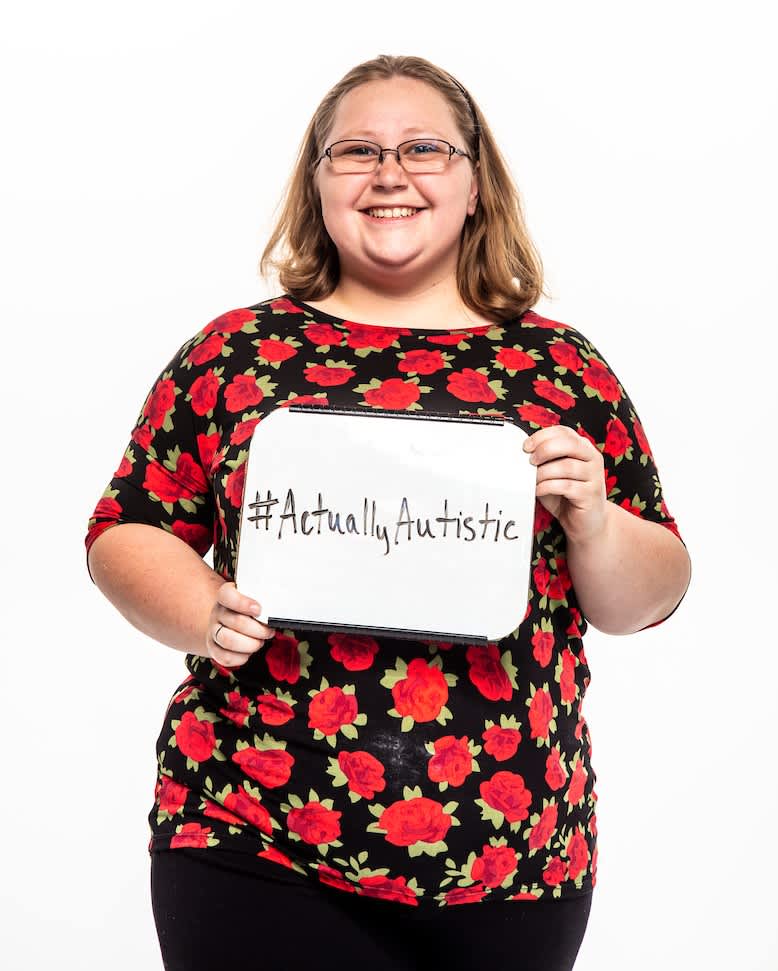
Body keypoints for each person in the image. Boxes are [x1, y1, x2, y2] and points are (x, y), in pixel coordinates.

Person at [85, 54, 691, 971]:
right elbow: (128, 526)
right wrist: (201, 608)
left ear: (475, 185)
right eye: (357, 151)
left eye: (424, 149)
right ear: (318, 181)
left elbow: (650, 595)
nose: (390, 173)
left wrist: (596, 521)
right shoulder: (234, 351)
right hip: (252, 833)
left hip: (518, 860)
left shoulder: (563, 368)